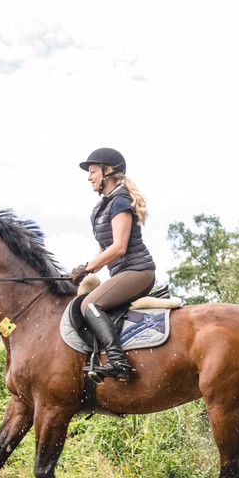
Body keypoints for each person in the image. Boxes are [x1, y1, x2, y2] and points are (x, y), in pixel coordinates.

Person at [70, 147, 156, 381]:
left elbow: (118, 247)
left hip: (138, 271)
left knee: (90, 305)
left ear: (108, 172)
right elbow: (104, 246)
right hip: (123, 272)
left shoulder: (119, 201)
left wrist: (88, 268)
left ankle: (118, 361)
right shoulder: (102, 207)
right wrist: (85, 267)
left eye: (93, 171)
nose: (89, 177)